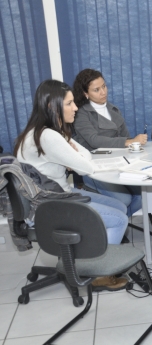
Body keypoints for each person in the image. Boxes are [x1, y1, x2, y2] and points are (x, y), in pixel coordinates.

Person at [14, 80, 129, 291]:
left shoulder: (39, 132)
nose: (75, 107)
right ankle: (99, 274)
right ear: (52, 106)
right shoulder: (48, 136)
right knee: (119, 218)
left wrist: (69, 145)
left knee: (120, 206)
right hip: (52, 204)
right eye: (69, 104)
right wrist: (70, 149)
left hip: (53, 196)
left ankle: (90, 256)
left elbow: (85, 156)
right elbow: (86, 167)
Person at [72, 68, 142, 216]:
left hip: (119, 164)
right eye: (96, 90)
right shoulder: (80, 113)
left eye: (104, 86)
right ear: (86, 93)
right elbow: (94, 140)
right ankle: (117, 221)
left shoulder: (114, 110)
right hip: (95, 169)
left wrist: (131, 144)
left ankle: (119, 221)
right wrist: (127, 142)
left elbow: (126, 138)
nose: (103, 92)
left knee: (143, 196)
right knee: (124, 199)